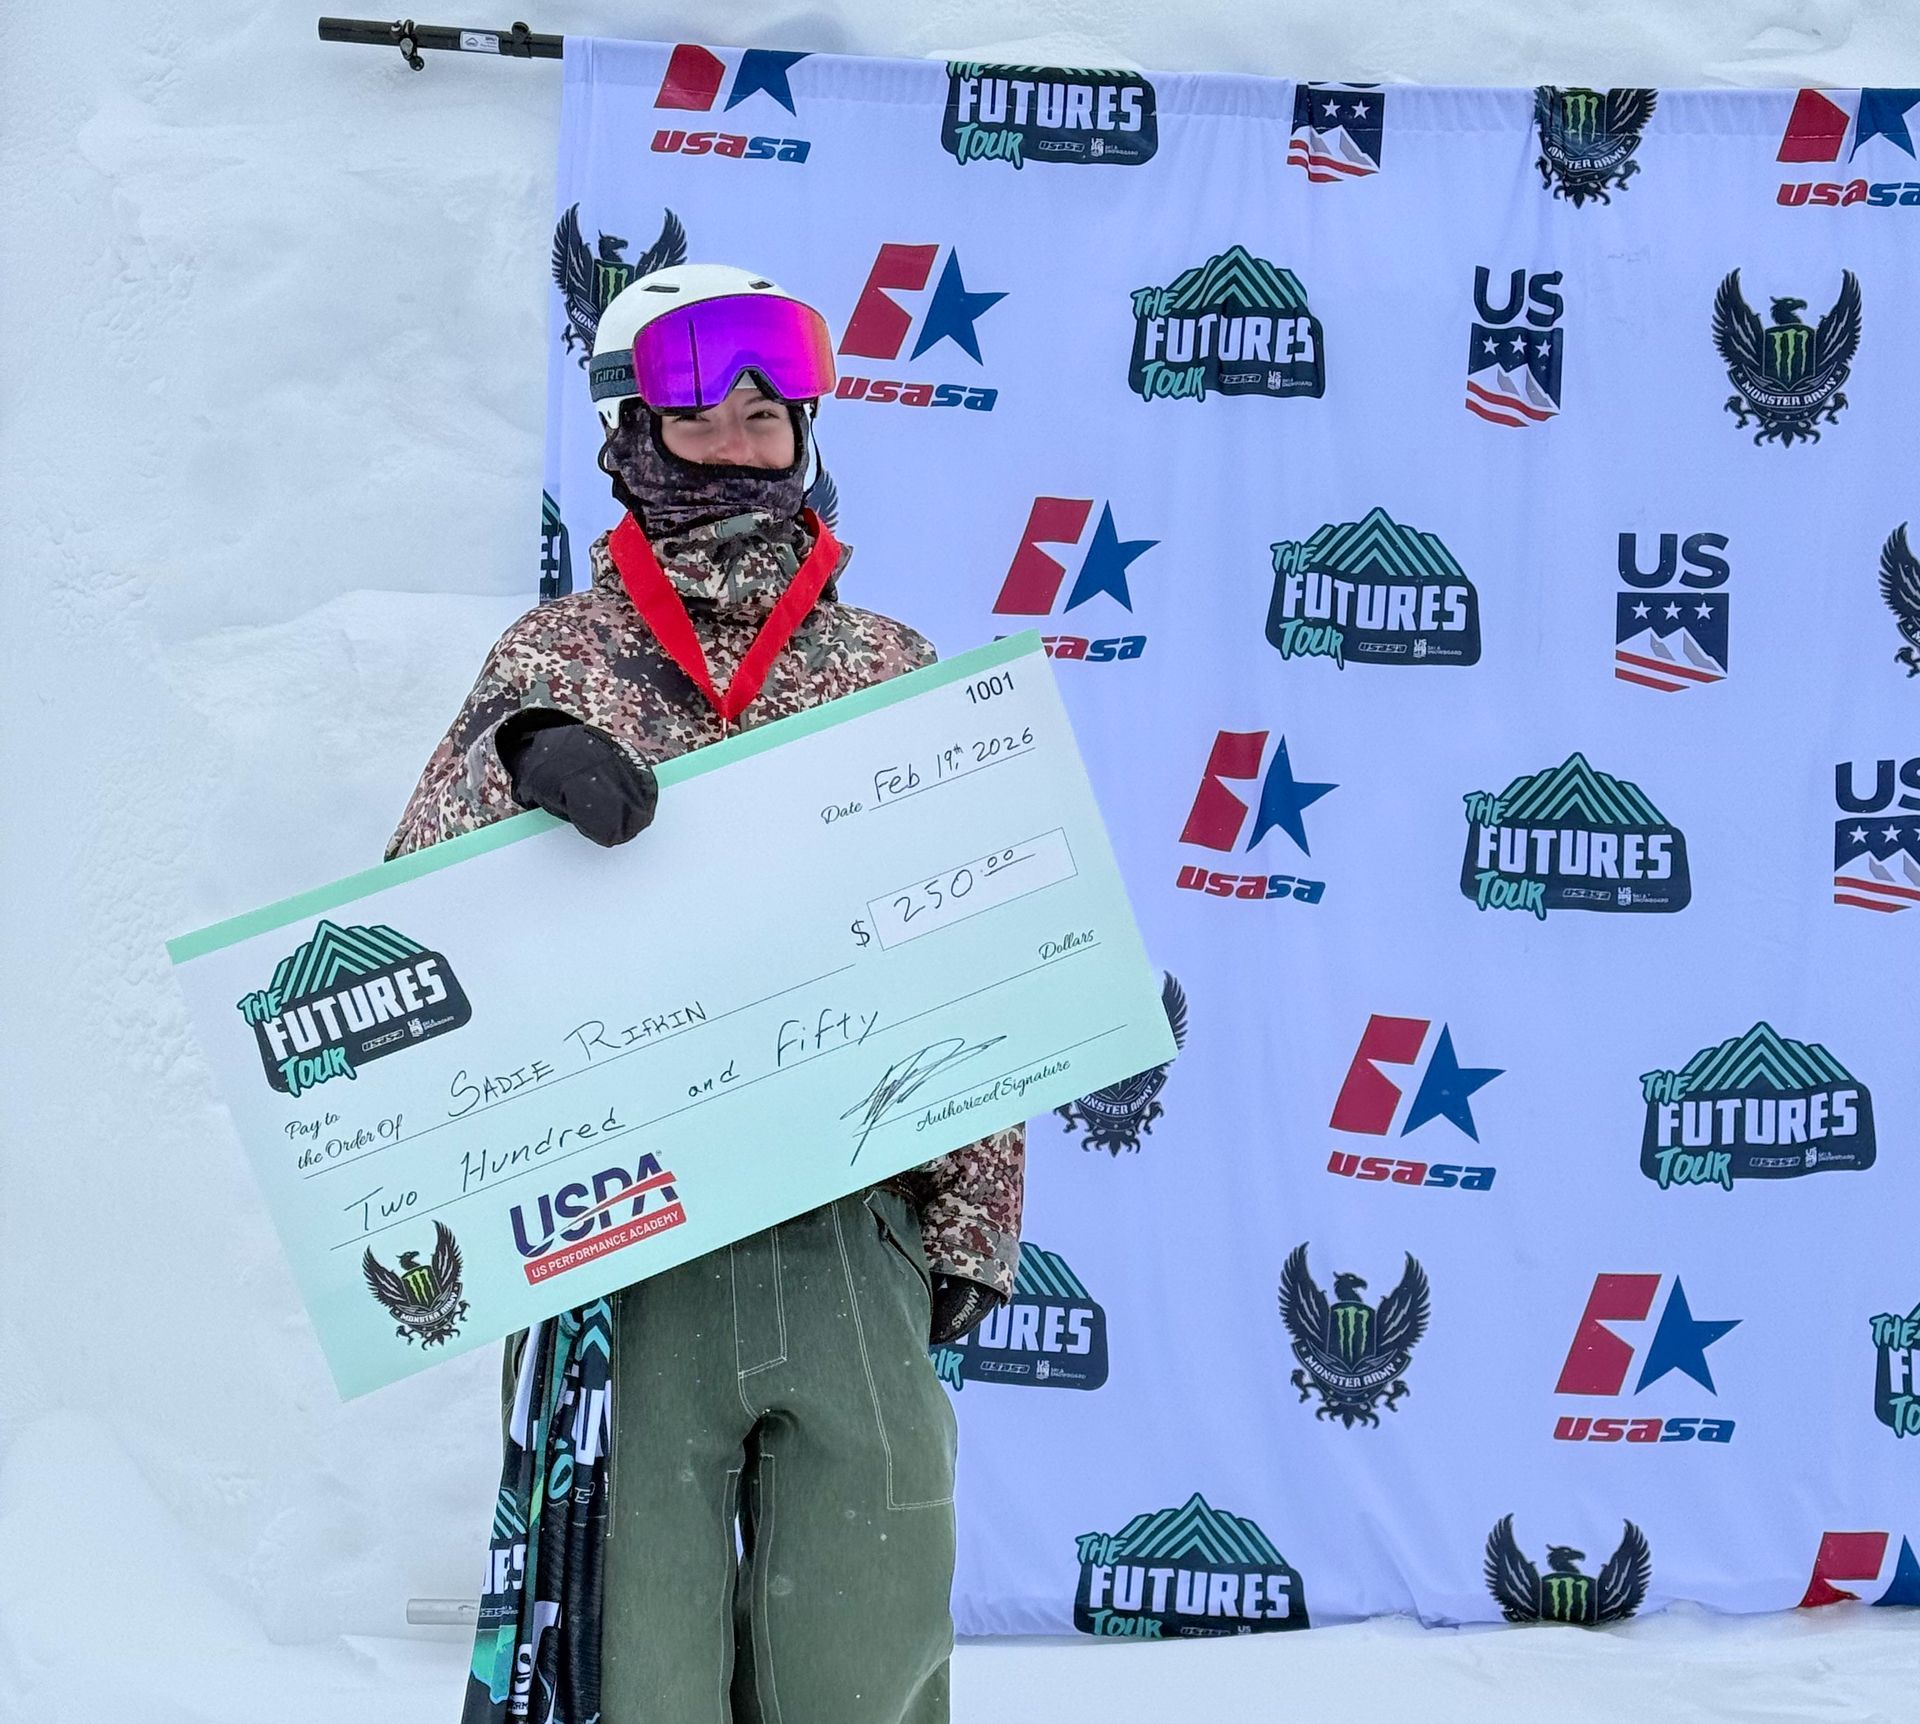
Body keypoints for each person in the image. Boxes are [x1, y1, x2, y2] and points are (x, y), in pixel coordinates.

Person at [386, 263, 1025, 1724]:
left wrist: (971, 1225)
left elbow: (980, 954)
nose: (745, 429)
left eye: (769, 404)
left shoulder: (888, 668)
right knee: (637, 1667)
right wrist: (520, 761)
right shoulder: (561, 658)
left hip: (850, 1218)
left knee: (862, 1646)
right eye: (706, 406)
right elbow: (412, 901)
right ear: (628, 427)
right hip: (615, 1248)